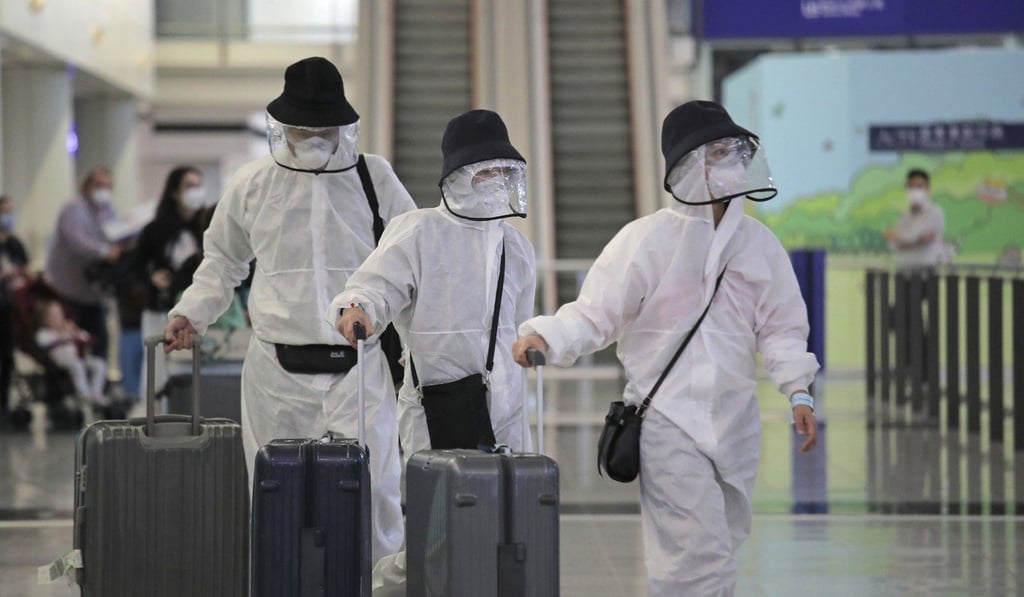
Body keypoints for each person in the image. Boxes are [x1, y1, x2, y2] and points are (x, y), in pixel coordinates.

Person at [512, 100, 820, 596]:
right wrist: (545, 335)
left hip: (735, 423)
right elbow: (597, 313)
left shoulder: (759, 245)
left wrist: (798, 390)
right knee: (698, 560)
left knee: (717, 544)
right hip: (668, 422)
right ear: (687, 166)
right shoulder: (647, 240)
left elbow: (782, 327)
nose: (733, 163)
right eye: (718, 152)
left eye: (736, 151)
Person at [163, 56, 416, 570]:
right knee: (274, 491)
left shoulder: (374, 178)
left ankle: (379, 583)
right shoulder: (254, 182)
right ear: (284, 125)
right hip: (276, 370)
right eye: (302, 127)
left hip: (359, 367)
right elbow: (223, 261)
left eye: (322, 128)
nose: (313, 137)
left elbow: (409, 257)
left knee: (376, 490)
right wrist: (192, 313)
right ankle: (279, 579)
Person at [334, 109, 536, 455]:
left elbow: (519, 329)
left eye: (503, 171)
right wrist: (358, 309)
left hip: (508, 408)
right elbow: (375, 287)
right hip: (436, 408)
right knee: (442, 505)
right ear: (456, 175)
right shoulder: (418, 231)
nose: (496, 180)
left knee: (510, 503)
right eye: (484, 171)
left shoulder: (515, 247)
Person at [134, 166, 211, 398]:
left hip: (198, 311)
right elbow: (135, 267)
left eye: (199, 185)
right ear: (174, 192)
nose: (195, 191)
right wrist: (152, 278)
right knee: (157, 368)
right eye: (189, 186)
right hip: (160, 309)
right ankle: (155, 419)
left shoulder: (208, 228)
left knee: (196, 371)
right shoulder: (155, 229)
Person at [44, 167, 121, 361]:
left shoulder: (107, 210)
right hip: (68, 290)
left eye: (107, 186)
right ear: (87, 186)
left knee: (99, 341)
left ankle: (99, 387)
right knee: (71, 345)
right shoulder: (74, 208)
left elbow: (115, 233)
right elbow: (77, 240)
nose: (104, 190)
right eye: (99, 185)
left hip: (93, 293)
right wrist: (105, 251)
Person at [34, 299, 108, 407]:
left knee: (99, 364)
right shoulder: (45, 332)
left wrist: (75, 333)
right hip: (60, 359)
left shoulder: (69, 328)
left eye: (59, 315)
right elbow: (42, 343)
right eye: (53, 316)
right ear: (45, 319)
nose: (57, 318)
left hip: (79, 357)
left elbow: (87, 338)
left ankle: (96, 393)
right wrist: (61, 334)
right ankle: (84, 393)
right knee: (76, 364)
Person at [0, 195, 31, 423]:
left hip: (10, 308)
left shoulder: (14, 244)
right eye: (4, 211)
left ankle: (3, 407)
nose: (8, 216)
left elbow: (26, 269)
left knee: (6, 358)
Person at [884, 169, 946, 269]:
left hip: (924, 270)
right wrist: (917, 242)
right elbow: (892, 245)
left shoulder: (934, 212)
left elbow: (910, 236)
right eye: (911, 187)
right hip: (902, 269)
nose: (915, 191)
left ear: (928, 189)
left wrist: (896, 237)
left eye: (919, 187)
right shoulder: (904, 215)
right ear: (906, 188)